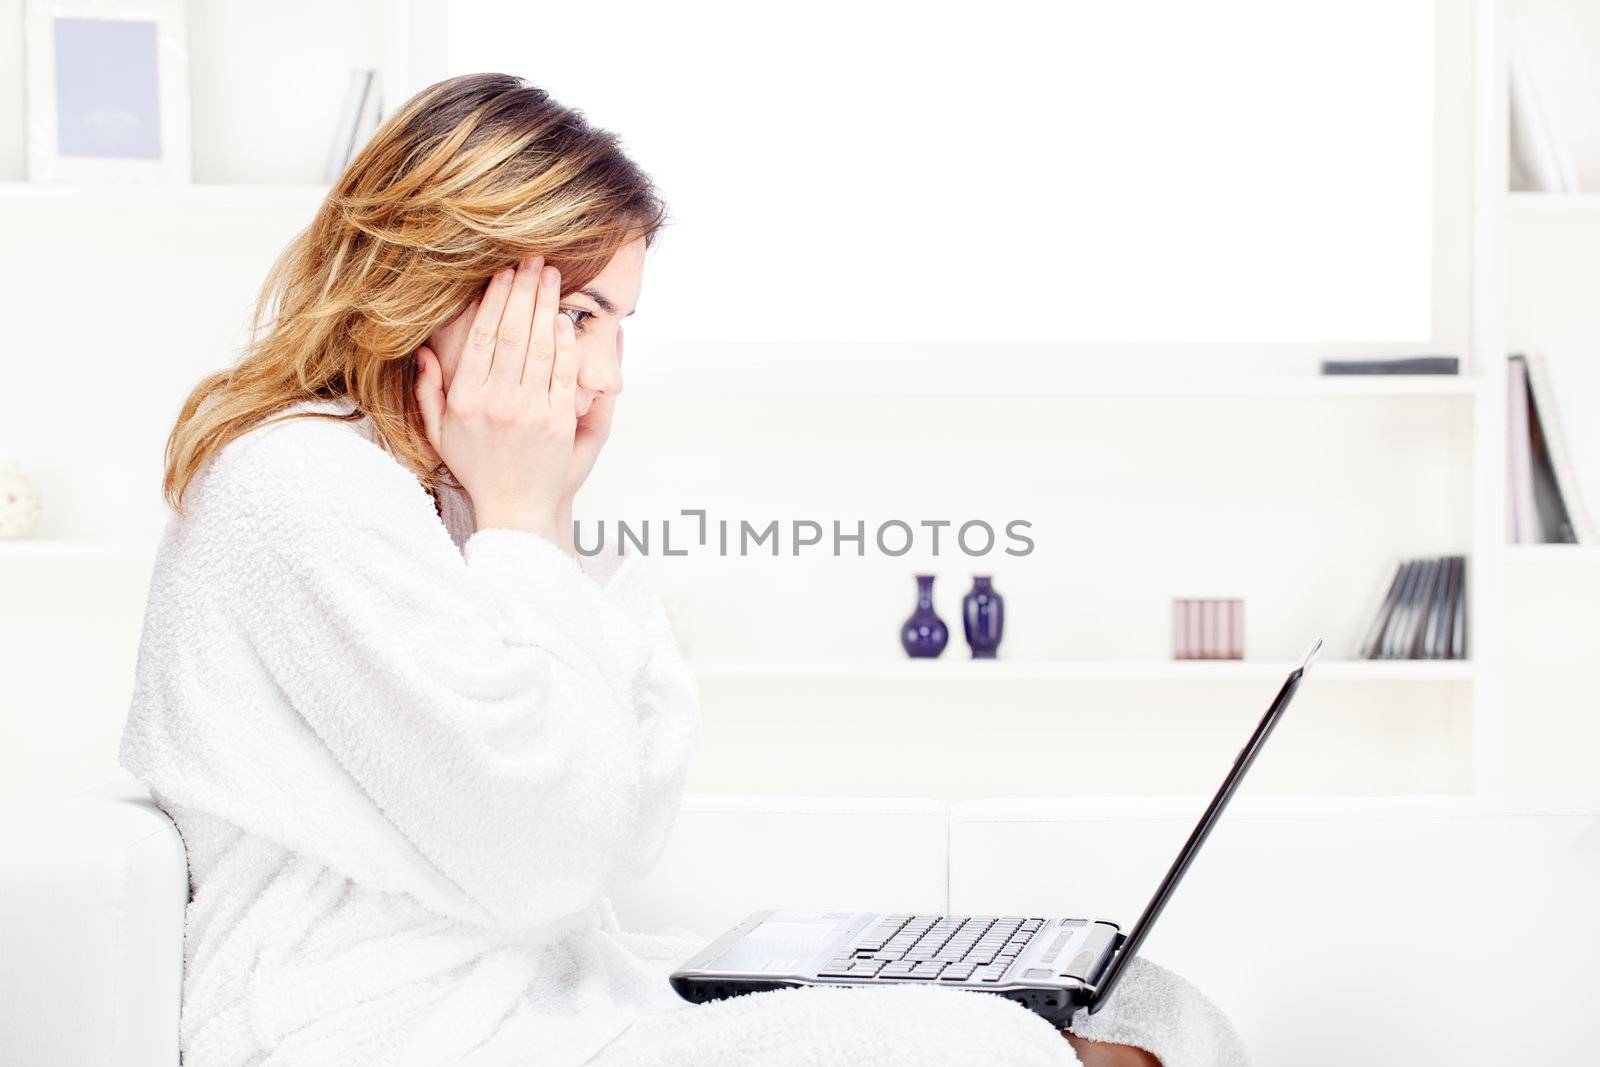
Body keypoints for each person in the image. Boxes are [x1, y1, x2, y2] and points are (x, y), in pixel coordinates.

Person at [119, 72, 1243, 1066]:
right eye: (575, 314)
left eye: (621, 324)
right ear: (438, 284)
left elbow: (626, 812)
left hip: (559, 1000)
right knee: (988, 1047)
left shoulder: (458, 494)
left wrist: (540, 517)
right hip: (395, 1032)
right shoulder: (296, 487)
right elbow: (544, 856)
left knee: (1148, 1006)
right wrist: (521, 513)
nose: (606, 368)